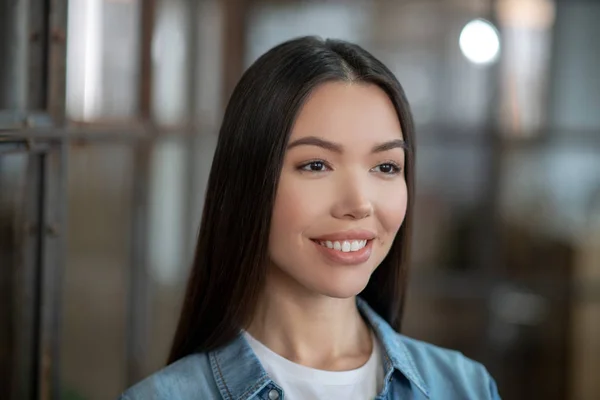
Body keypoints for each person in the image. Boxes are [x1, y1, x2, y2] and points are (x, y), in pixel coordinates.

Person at [120, 36, 501, 400]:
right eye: (316, 164)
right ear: (247, 182)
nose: (358, 203)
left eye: (385, 166)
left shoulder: (465, 388)